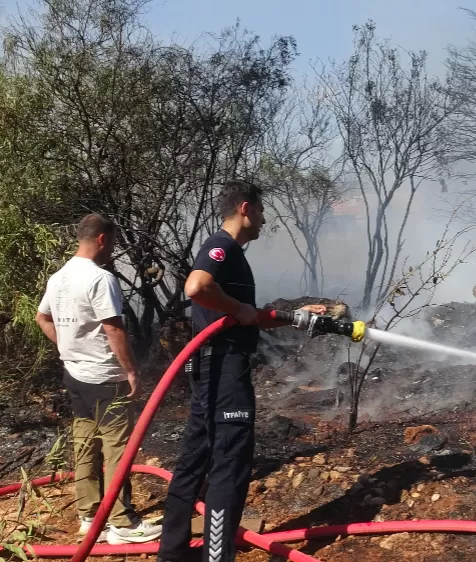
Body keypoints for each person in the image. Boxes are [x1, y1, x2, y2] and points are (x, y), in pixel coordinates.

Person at [156, 180, 325, 562]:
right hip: (224, 369)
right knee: (230, 464)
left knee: (195, 459)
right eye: (262, 211)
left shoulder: (232, 254)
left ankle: (172, 553)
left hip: (211, 366)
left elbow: (244, 318)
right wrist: (236, 307)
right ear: (246, 209)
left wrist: (294, 318)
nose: (265, 220)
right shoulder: (223, 247)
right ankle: (217, 557)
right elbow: (197, 287)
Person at [35, 213, 163, 545]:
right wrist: (131, 370)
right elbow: (113, 327)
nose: (113, 250)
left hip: (75, 375)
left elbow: (42, 317)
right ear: (103, 239)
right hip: (106, 377)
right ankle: (121, 522)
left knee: (85, 444)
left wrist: (67, 346)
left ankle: (89, 516)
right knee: (117, 448)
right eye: (114, 243)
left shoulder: (58, 277)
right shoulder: (99, 278)